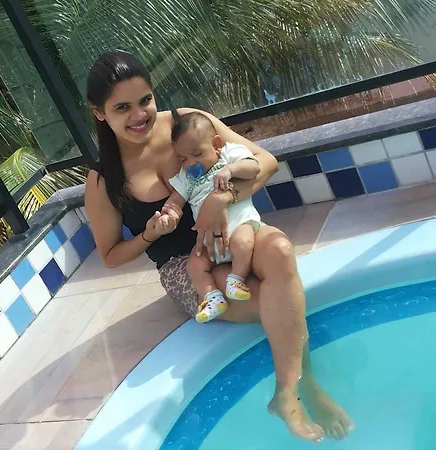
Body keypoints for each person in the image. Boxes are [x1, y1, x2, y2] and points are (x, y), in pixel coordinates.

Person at [84, 50, 353, 442]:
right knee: (272, 300)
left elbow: (264, 161)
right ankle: (302, 388)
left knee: (279, 251)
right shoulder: (103, 180)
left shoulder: (188, 123)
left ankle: (289, 391)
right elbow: (110, 256)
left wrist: (221, 198)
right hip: (186, 264)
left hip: (236, 229)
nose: (139, 115)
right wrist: (149, 235)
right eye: (122, 108)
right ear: (99, 113)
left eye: (145, 100)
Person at [162, 111, 261, 323]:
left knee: (243, 243)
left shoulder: (228, 155)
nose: (191, 163)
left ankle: (236, 279)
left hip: (238, 225)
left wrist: (230, 170)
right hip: (209, 241)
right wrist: (169, 213)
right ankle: (213, 297)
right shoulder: (186, 178)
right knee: (195, 264)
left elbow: (254, 167)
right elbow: (176, 200)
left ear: (216, 144)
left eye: (197, 154)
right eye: (183, 159)